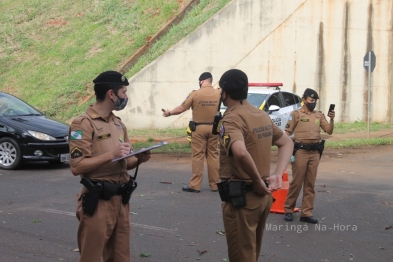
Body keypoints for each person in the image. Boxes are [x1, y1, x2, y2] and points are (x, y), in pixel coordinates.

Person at [69, 70, 151, 262]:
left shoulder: (118, 123)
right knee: (92, 257)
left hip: (121, 200)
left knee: (121, 257)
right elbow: (77, 166)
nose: (126, 97)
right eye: (123, 92)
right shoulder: (82, 124)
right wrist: (111, 155)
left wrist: (138, 158)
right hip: (98, 201)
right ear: (110, 94)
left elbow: (124, 162)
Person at [216, 69, 293, 262]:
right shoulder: (260, 115)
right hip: (262, 199)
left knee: (241, 256)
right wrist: (277, 174)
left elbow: (240, 152)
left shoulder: (232, 118)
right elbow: (287, 142)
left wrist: (257, 181)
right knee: (251, 254)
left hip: (243, 200)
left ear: (224, 92)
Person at [283, 88, 335, 224]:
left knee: (310, 184)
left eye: (315, 101)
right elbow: (286, 133)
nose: (313, 103)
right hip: (300, 152)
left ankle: (306, 213)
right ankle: (288, 209)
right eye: (311, 100)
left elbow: (328, 131)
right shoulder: (296, 114)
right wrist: (286, 151)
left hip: (314, 153)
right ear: (304, 99)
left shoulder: (319, 115)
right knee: (297, 182)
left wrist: (332, 119)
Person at [163, 72, 221, 193]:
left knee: (198, 156)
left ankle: (195, 185)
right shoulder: (218, 93)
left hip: (199, 129)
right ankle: (215, 185)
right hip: (214, 128)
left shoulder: (195, 94)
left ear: (201, 81)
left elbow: (181, 108)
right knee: (213, 155)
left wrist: (169, 113)